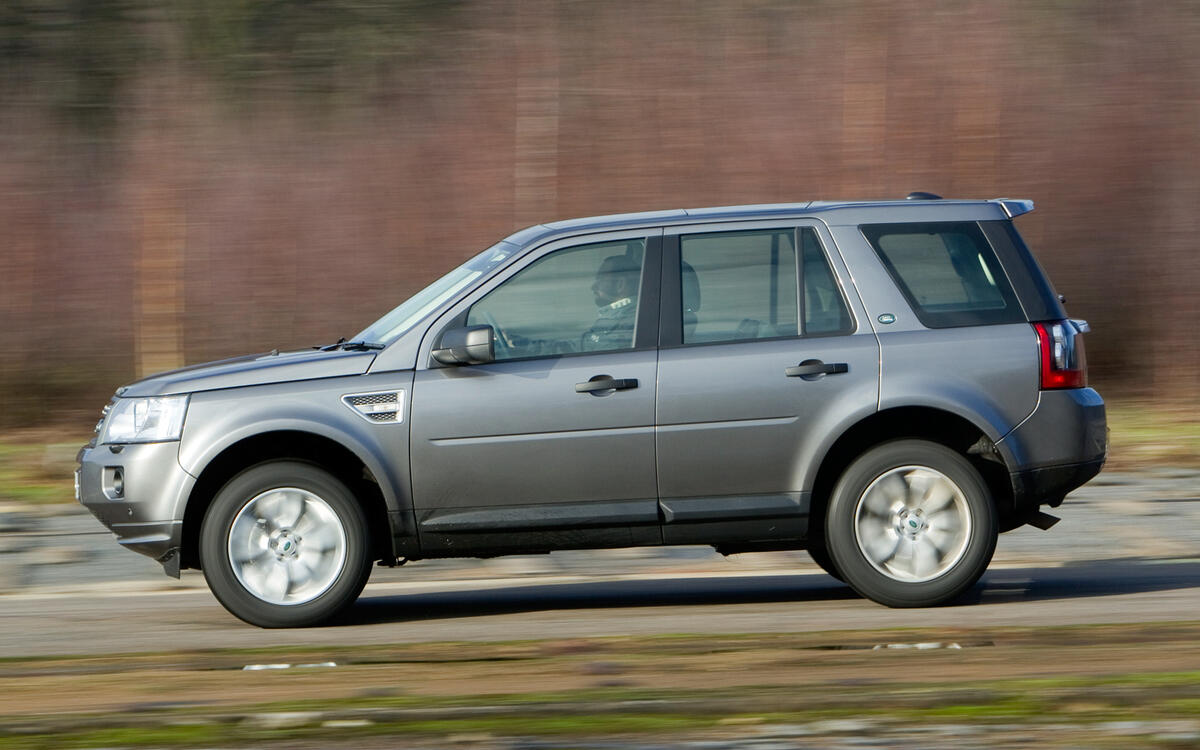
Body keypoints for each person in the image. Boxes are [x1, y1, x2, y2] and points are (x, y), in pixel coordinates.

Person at [581, 255, 639, 352]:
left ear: (620, 284)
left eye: (600, 279)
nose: (593, 287)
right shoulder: (614, 316)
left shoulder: (627, 324)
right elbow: (584, 344)